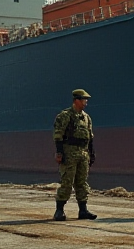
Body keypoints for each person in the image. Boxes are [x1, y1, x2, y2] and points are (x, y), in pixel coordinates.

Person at [52, 88, 97, 221]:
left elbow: (90, 137)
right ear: (76, 100)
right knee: (67, 181)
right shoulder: (65, 115)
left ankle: (83, 210)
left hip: (83, 153)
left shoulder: (87, 117)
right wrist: (59, 152)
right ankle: (59, 210)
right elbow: (58, 135)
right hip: (69, 152)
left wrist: (92, 152)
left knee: (82, 182)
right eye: (84, 99)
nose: (86, 102)